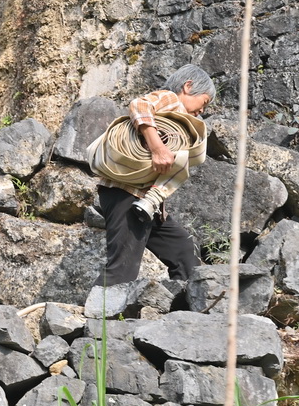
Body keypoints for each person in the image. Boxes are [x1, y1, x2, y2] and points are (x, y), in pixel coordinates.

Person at [87, 64, 215, 286]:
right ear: (188, 86)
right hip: (125, 196)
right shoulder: (171, 99)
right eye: (204, 102)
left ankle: (184, 313)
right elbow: (139, 104)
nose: (202, 110)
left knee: (184, 250)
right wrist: (157, 147)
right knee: (122, 268)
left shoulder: (176, 121)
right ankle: (99, 318)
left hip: (147, 204)